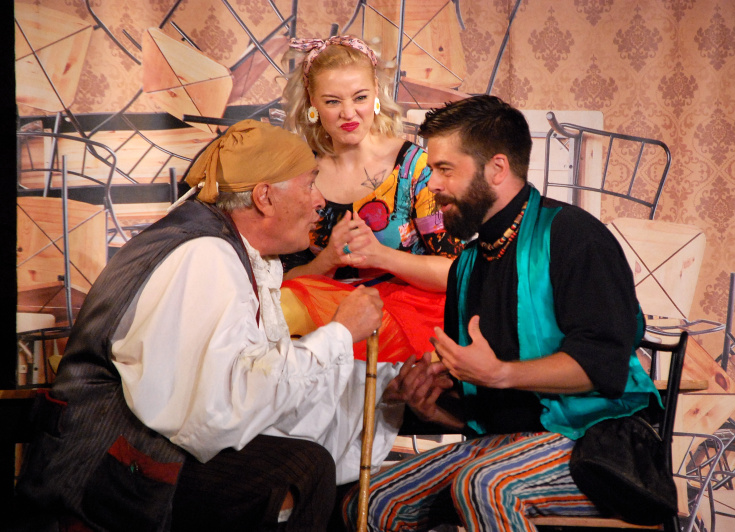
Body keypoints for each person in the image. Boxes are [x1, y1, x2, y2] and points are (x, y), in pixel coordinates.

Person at [13, 120, 386, 532]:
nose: (320, 201)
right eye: (310, 184)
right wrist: (339, 334)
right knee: (300, 468)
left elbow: (257, 399)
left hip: (140, 456)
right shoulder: (203, 256)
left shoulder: (227, 249)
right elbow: (221, 411)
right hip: (101, 470)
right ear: (264, 197)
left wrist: (387, 393)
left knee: (303, 463)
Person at [341, 95, 662, 531]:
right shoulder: (469, 264)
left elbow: (603, 366)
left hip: (601, 446)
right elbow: (488, 411)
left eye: (445, 169)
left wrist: (500, 374)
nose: (432, 184)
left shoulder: (574, 237)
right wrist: (432, 405)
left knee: (483, 484)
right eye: (432, 170)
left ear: (496, 168)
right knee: (374, 501)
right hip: (504, 445)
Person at [279, 35, 462, 364]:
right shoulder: (301, 176)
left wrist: (380, 256)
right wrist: (327, 261)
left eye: (360, 97)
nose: (349, 113)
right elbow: (280, 284)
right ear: (312, 103)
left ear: (377, 93)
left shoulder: (414, 168)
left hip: (409, 317)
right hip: (333, 314)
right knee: (280, 309)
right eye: (332, 101)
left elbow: (455, 273)